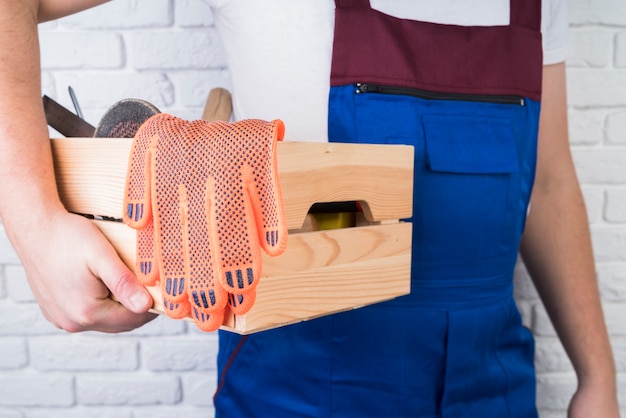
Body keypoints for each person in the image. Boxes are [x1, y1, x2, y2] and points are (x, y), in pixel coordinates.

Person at [0, 0, 618, 416]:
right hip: (298, 387)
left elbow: (549, 181)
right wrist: (36, 228)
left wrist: (598, 379)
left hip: (494, 387)